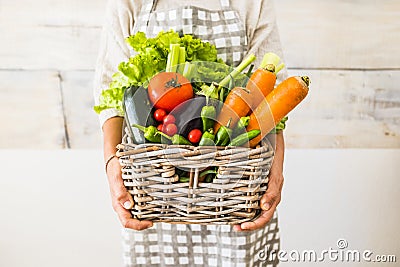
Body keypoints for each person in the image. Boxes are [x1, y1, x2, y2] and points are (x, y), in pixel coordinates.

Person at [94, 0, 287, 265]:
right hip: (156, 190)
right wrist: (111, 164)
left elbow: (273, 97)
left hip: (237, 190)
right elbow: (110, 91)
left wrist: (275, 173)